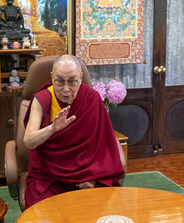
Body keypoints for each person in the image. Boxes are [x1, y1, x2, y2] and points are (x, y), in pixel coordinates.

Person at [22, 55, 124, 208]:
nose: (65, 89)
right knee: (41, 210)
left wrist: (94, 179)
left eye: (72, 81)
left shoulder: (92, 99)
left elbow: (103, 146)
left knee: (106, 207)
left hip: (86, 175)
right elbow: (28, 141)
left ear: (81, 78)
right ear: (52, 77)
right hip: (50, 177)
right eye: (60, 81)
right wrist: (51, 129)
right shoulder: (42, 99)